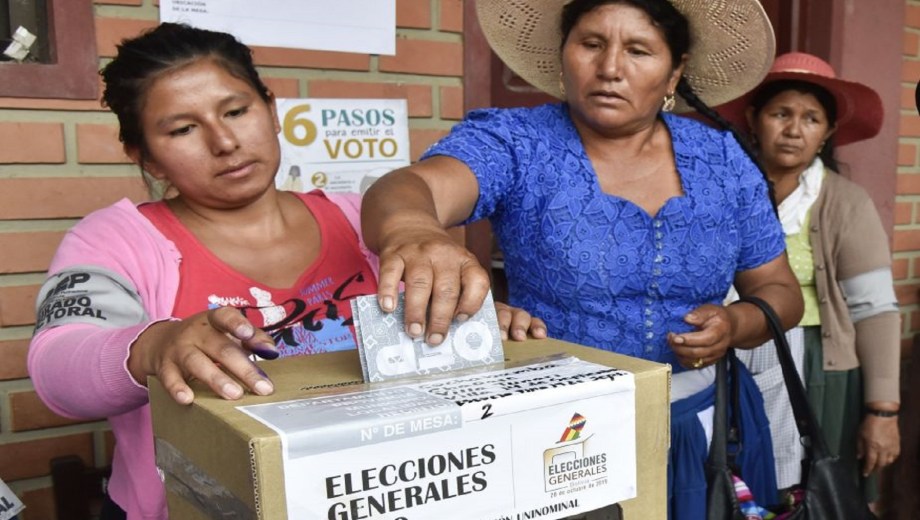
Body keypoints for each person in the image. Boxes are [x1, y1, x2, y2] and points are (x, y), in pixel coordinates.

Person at [26, 23, 545, 519]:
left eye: (236, 111)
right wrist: (153, 346)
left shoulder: (358, 218)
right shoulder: (118, 240)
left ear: (272, 109)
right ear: (146, 157)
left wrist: (467, 320)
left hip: (378, 494)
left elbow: (419, 328)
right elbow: (57, 371)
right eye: (183, 129)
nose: (223, 142)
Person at [360, 0, 804, 518]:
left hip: (700, 427)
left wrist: (736, 322)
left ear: (674, 71)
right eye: (591, 44)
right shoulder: (517, 143)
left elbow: (780, 290)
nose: (610, 67)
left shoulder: (724, 159)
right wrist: (413, 228)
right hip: (559, 436)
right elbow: (409, 187)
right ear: (564, 54)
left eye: (639, 50)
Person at [719, 51, 901, 505]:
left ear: (827, 133)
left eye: (811, 118)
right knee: (735, 486)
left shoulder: (844, 202)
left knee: (809, 493)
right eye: (781, 113)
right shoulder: (723, 189)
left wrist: (882, 410)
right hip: (729, 355)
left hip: (820, 369)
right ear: (753, 118)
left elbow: (875, 309)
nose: (794, 129)